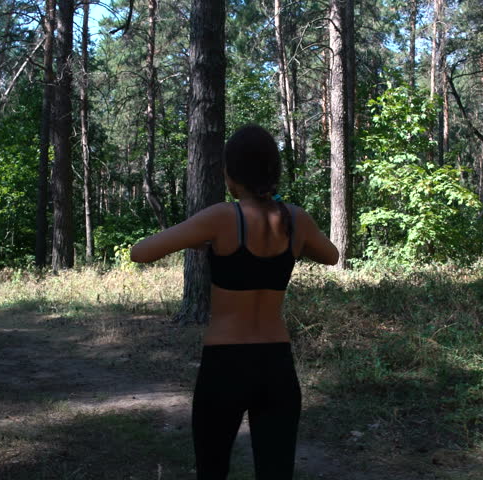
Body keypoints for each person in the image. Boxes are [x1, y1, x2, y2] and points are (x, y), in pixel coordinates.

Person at [130, 124, 339, 479]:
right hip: (276, 365)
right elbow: (331, 256)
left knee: (212, 471)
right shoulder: (295, 219)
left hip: (225, 365)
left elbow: (140, 252)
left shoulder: (222, 218)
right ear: (272, 171)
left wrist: (199, 237)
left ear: (231, 174)